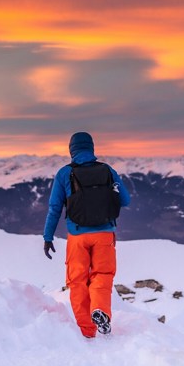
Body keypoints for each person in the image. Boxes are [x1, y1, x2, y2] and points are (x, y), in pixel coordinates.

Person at [43, 132, 130, 338]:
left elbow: (55, 208)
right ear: (91, 147)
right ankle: (100, 311)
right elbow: (125, 200)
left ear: (71, 149)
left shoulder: (65, 173)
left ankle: (87, 330)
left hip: (77, 236)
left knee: (78, 280)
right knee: (103, 275)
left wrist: (48, 237)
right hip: (105, 234)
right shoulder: (108, 170)